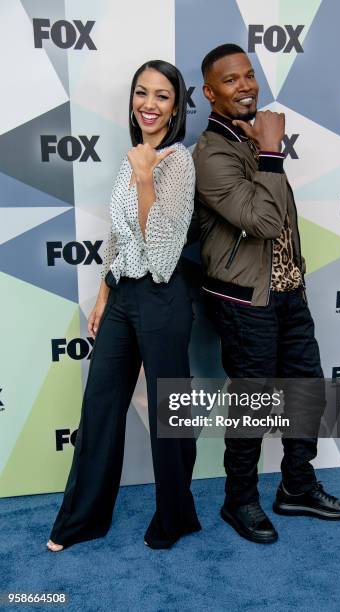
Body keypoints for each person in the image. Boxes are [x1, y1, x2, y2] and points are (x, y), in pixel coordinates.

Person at [193, 44, 340, 544]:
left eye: (249, 76)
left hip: (288, 289)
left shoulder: (254, 138)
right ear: (209, 92)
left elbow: (280, 217)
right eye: (230, 80)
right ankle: (239, 500)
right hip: (244, 297)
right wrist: (270, 150)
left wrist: (264, 148)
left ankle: (297, 488)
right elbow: (264, 220)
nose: (245, 86)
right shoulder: (211, 153)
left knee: (306, 389)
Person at [47, 60, 201, 551]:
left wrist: (145, 180)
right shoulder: (132, 155)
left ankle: (175, 516)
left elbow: (160, 256)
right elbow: (119, 237)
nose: (148, 104)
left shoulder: (177, 162)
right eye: (141, 93)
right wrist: (105, 293)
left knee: (168, 412)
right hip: (124, 296)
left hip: (164, 295)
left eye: (161, 95)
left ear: (176, 107)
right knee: (99, 406)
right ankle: (82, 520)